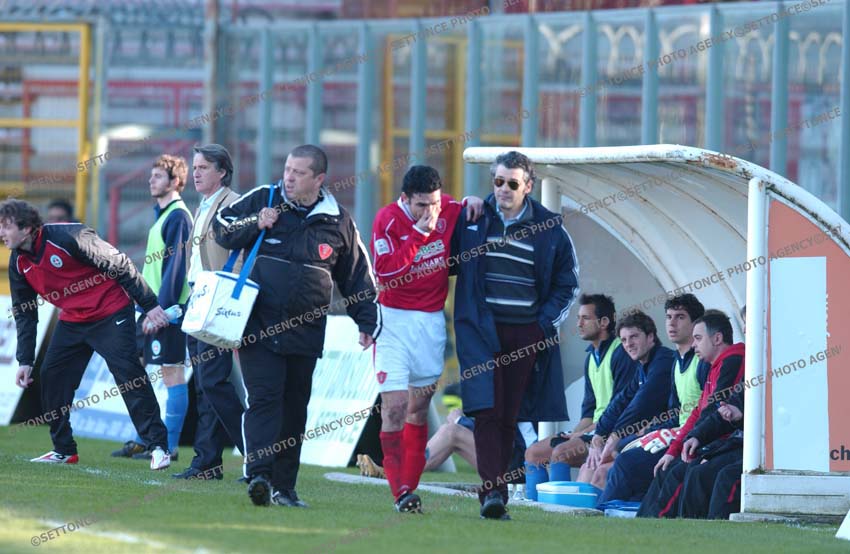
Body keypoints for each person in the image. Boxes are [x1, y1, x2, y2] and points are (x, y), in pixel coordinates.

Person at [213, 144, 378, 508]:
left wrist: (367, 321)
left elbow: (356, 277)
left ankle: (284, 488)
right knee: (264, 400)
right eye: (287, 169)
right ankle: (259, 475)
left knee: (294, 410)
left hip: (306, 332)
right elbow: (221, 227)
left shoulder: (338, 221)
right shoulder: (265, 198)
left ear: (319, 179)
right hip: (258, 327)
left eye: (299, 172)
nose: (289, 177)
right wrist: (255, 223)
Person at [451, 150, 579, 520]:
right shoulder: (473, 217)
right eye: (497, 181)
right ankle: (492, 492)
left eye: (512, 183)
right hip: (480, 329)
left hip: (525, 332)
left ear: (528, 186)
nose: (503, 189)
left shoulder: (550, 228)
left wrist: (542, 325)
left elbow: (568, 283)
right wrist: (460, 204)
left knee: (509, 414)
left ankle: (497, 491)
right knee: (485, 410)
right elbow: (437, 237)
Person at [2, 199, 172, 469]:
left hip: (110, 311)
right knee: (52, 377)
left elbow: (121, 263)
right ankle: (63, 450)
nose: (1, 232)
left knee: (129, 375)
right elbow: (25, 313)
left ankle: (159, 446)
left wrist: (150, 305)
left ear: (26, 228)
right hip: (73, 319)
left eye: (6, 226)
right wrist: (25, 360)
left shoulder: (69, 236)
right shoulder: (18, 262)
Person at [370, 164, 482, 513]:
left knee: (418, 409)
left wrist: (475, 201)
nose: (430, 211)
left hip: (431, 323)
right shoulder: (387, 220)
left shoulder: (448, 209)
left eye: (434, 203)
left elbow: (471, 212)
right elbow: (385, 272)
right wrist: (419, 234)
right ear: (405, 199)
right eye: (421, 205)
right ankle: (400, 492)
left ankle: (409, 487)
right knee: (394, 408)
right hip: (393, 322)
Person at [111, 155, 193, 462]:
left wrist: (163, 311)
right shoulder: (164, 215)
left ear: (175, 182)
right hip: (151, 309)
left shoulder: (178, 216)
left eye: (158, 176)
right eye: (151, 175)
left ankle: (168, 446)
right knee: (136, 370)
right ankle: (145, 438)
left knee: (173, 373)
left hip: (166, 312)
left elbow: (176, 269)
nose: (151, 180)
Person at [171, 144, 245, 480]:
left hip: (218, 300)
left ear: (222, 172)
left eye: (203, 167)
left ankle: (257, 451)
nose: (196, 173)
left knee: (214, 381)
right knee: (204, 384)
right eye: (195, 167)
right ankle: (207, 462)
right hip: (198, 300)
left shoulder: (233, 204)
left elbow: (240, 254)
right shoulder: (202, 205)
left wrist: (230, 298)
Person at [596, 294, 708, 504]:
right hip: (677, 433)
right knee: (621, 455)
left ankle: (603, 511)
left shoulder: (698, 361)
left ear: (695, 324)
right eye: (668, 317)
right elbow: (673, 411)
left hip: (694, 438)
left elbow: (641, 404)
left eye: (680, 317)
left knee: (625, 461)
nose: (672, 323)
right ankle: (626, 508)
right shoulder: (676, 361)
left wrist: (618, 434)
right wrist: (650, 430)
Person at [524, 293, 637, 499]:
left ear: (604, 322)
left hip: (610, 433)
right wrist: (575, 434)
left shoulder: (621, 354)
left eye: (585, 318)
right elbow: (588, 413)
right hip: (592, 430)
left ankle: (557, 506)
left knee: (561, 452)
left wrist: (580, 435)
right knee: (533, 453)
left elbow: (620, 411)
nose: (579, 324)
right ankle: (535, 505)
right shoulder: (591, 358)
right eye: (578, 318)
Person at [637, 309, 746, 518]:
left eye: (698, 338)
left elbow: (715, 411)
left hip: (724, 441)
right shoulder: (712, 366)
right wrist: (674, 448)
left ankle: (667, 526)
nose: (694, 344)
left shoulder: (734, 360)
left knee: (686, 473)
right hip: (707, 438)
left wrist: (695, 438)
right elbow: (698, 412)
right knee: (666, 468)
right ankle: (643, 524)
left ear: (717, 338)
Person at [580, 311, 675, 490]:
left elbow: (640, 404)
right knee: (588, 466)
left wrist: (615, 436)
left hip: (669, 439)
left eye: (634, 337)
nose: (628, 344)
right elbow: (620, 402)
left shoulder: (663, 361)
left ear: (650, 337)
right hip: (646, 435)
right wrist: (599, 435)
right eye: (623, 340)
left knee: (601, 471)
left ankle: (603, 507)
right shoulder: (642, 367)